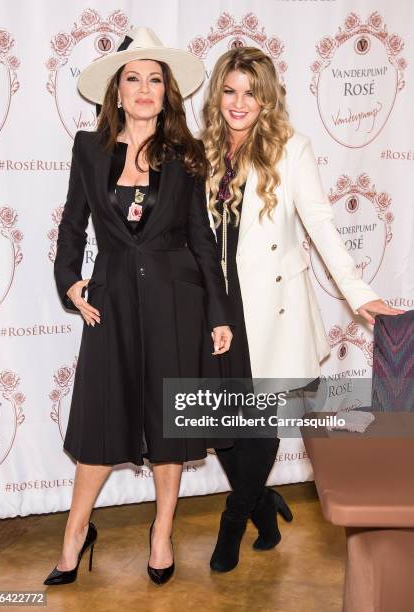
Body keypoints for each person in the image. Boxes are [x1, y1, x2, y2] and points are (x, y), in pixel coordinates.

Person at [201, 46, 403, 572]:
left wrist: (359, 293)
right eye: (230, 90)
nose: (239, 102)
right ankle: (262, 502)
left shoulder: (292, 148)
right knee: (221, 425)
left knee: (262, 426)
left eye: (251, 92)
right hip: (217, 309)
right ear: (217, 93)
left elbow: (321, 227)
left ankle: (232, 520)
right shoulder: (199, 151)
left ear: (267, 100)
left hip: (275, 308)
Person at [44, 26, 232, 587]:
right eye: (134, 79)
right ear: (117, 92)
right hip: (113, 303)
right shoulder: (88, 148)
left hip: (178, 303)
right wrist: (69, 282)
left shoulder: (187, 155)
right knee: (103, 422)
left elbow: (202, 239)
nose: (144, 89)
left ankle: (162, 533)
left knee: (170, 424)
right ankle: (76, 534)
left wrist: (218, 313)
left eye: (155, 80)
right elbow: (73, 224)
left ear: (166, 92)